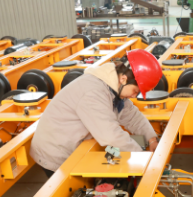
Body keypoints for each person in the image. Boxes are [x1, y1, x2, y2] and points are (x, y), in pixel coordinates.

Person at [30, 49, 162, 177]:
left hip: (73, 144)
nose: (134, 96)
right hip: (55, 152)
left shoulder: (113, 87)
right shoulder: (93, 93)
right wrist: (142, 157)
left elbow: (132, 117)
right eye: (135, 91)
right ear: (123, 79)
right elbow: (111, 135)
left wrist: (151, 140)